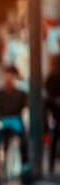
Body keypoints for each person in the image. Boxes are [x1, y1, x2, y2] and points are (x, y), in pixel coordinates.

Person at [0, 65, 29, 181]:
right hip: (3, 120)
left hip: (14, 119)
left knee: (23, 139)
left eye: (10, 74)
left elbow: (24, 109)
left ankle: (24, 166)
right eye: (6, 74)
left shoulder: (21, 93)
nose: (7, 77)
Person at [45, 38, 60, 174]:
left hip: (55, 104)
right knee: (55, 134)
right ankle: (50, 165)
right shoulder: (55, 58)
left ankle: (50, 165)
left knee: (55, 135)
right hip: (56, 106)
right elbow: (50, 83)